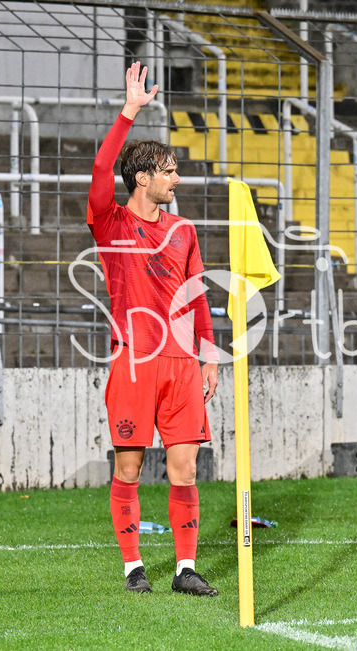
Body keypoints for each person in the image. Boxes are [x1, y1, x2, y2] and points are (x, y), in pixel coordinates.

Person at [87, 61, 220, 596]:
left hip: (182, 365)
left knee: (185, 468)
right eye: (168, 170)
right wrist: (128, 113)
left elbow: (198, 296)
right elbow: (100, 171)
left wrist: (210, 356)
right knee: (129, 467)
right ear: (142, 177)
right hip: (134, 362)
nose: (176, 178)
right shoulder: (110, 221)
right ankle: (133, 567)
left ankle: (184, 569)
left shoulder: (184, 230)